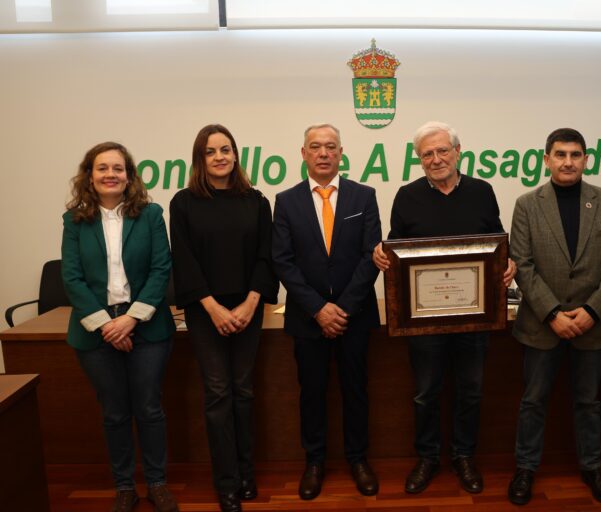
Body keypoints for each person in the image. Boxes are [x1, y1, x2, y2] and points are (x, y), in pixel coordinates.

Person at [373, 121, 515, 495]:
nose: (435, 159)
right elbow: (397, 253)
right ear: (419, 160)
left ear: (458, 152)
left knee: (470, 390)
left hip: (475, 315)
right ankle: (428, 457)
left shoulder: (482, 192)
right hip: (423, 321)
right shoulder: (406, 196)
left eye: (442, 151)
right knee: (425, 392)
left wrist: (508, 263)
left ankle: (464, 456)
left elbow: (499, 242)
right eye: (426, 154)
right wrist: (382, 254)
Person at [507, 128, 601, 506]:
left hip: (593, 325)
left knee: (589, 402)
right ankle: (525, 469)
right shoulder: (528, 204)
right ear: (546, 160)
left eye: (575, 155)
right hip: (543, 325)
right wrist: (554, 314)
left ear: (585, 160)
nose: (568, 162)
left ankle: (593, 467)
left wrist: (591, 311)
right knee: (533, 401)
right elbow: (522, 265)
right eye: (560, 155)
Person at [61, 142, 179, 512]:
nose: (110, 174)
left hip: (146, 326)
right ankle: (125, 486)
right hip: (95, 331)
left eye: (118, 168)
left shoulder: (150, 214)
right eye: (102, 168)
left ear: (129, 175)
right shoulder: (74, 220)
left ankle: (157, 482)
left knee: (149, 408)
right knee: (114, 411)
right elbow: (72, 277)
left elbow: (162, 269)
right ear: (90, 176)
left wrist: (130, 320)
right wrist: (106, 327)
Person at [170, 124, 278, 512]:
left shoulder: (256, 200)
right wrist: (213, 308)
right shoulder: (183, 203)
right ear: (200, 158)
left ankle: (247, 473)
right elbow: (184, 261)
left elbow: (267, 256)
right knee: (218, 394)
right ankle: (227, 481)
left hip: (248, 309)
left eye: (226, 149)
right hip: (205, 312)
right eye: (211, 151)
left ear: (236, 155)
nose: (219, 157)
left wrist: (250, 304)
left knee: (244, 391)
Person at [272, 123, 382, 500]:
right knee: (312, 392)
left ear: (341, 153)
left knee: (356, 390)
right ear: (303, 153)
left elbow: (371, 256)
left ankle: (358, 459)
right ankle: (314, 461)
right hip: (307, 317)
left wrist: (343, 308)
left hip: (355, 315)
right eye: (315, 147)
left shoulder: (364, 196)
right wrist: (319, 309)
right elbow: (283, 262)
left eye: (330, 147)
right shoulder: (285, 201)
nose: (323, 153)